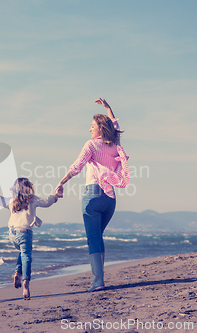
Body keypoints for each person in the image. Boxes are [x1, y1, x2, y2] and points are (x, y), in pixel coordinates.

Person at [56, 98, 130, 292]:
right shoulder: (114, 144)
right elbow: (115, 126)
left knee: (93, 239)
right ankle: (98, 279)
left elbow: (76, 167)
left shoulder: (91, 145)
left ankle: (98, 282)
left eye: (91, 126)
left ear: (99, 129)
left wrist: (61, 182)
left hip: (93, 195)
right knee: (98, 237)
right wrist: (108, 108)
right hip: (110, 198)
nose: (89, 130)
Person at [0, 178, 61, 300]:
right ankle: (25, 283)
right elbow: (47, 202)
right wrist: (55, 195)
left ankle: (17, 272)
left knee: (22, 252)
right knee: (26, 256)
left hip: (12, 235)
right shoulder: (33, 199)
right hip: (25, 233)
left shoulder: (11, 201)